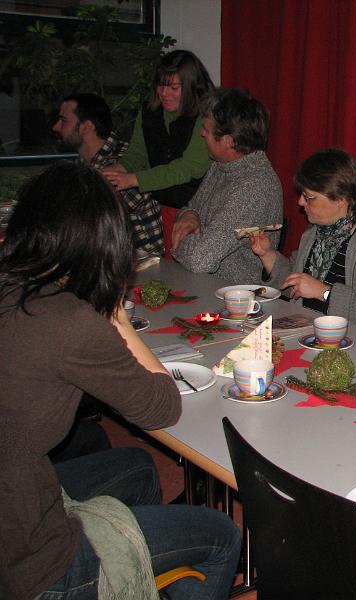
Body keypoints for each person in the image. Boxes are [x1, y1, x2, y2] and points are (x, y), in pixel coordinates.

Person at [0, 162, 241, 599]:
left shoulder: (14, 287)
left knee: (139, 466)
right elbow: (162, 406)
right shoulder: (68, 320)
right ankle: (95, 580)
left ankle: (137, 583)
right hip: (29, 556)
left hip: (22, 486)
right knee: (222, 535)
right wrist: (115, 313)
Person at [251, 148, 356, 332]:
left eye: (309, 197)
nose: (300, 202)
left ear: (340, 198)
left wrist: (324, 292)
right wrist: (268, 255)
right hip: (310, 330)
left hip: (352, 343)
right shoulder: (318, 230)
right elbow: (297, 282)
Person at [102, 50, 214, 253]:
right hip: (160, 208)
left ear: (191, 88)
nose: (164, 93)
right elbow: (137, 154)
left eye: (174, 87)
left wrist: (133, 179)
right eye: (161, 85)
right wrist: (114, 172)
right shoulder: (149, 111)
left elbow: (188, 168)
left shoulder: (204, 116)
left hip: (195, 212)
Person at [171, 88, 283, 282]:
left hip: (234, 298)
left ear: (229, 142)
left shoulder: (255, 187)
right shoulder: (222, 164)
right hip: (203, 284)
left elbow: (199, 259)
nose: (201, 134)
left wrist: (179, 241)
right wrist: (190, 215)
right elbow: (191, 208)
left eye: (206, 130)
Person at [53, 93, 165, 256]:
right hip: (112, 259)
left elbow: (84, 222)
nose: (55, 127)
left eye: (63, 120)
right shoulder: (86, 164)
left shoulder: (123, 163)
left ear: (86, 127)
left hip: (143, 268)